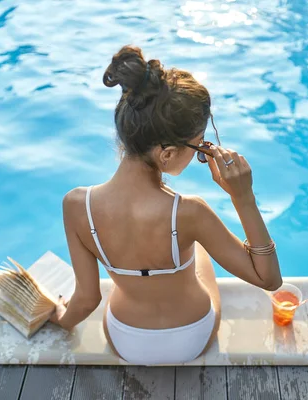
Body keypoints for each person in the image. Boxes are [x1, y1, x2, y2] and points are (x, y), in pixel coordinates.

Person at [49, 45, 282, 365]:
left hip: (125, 338)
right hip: (192, 336)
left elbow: (88, 300)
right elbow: (269, 280)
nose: (203, 152)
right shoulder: (191, 213)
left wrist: (56, 318)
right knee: (198, 251)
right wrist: (243, 198)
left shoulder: (77, 205)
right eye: (199, 146)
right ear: (168, 153)